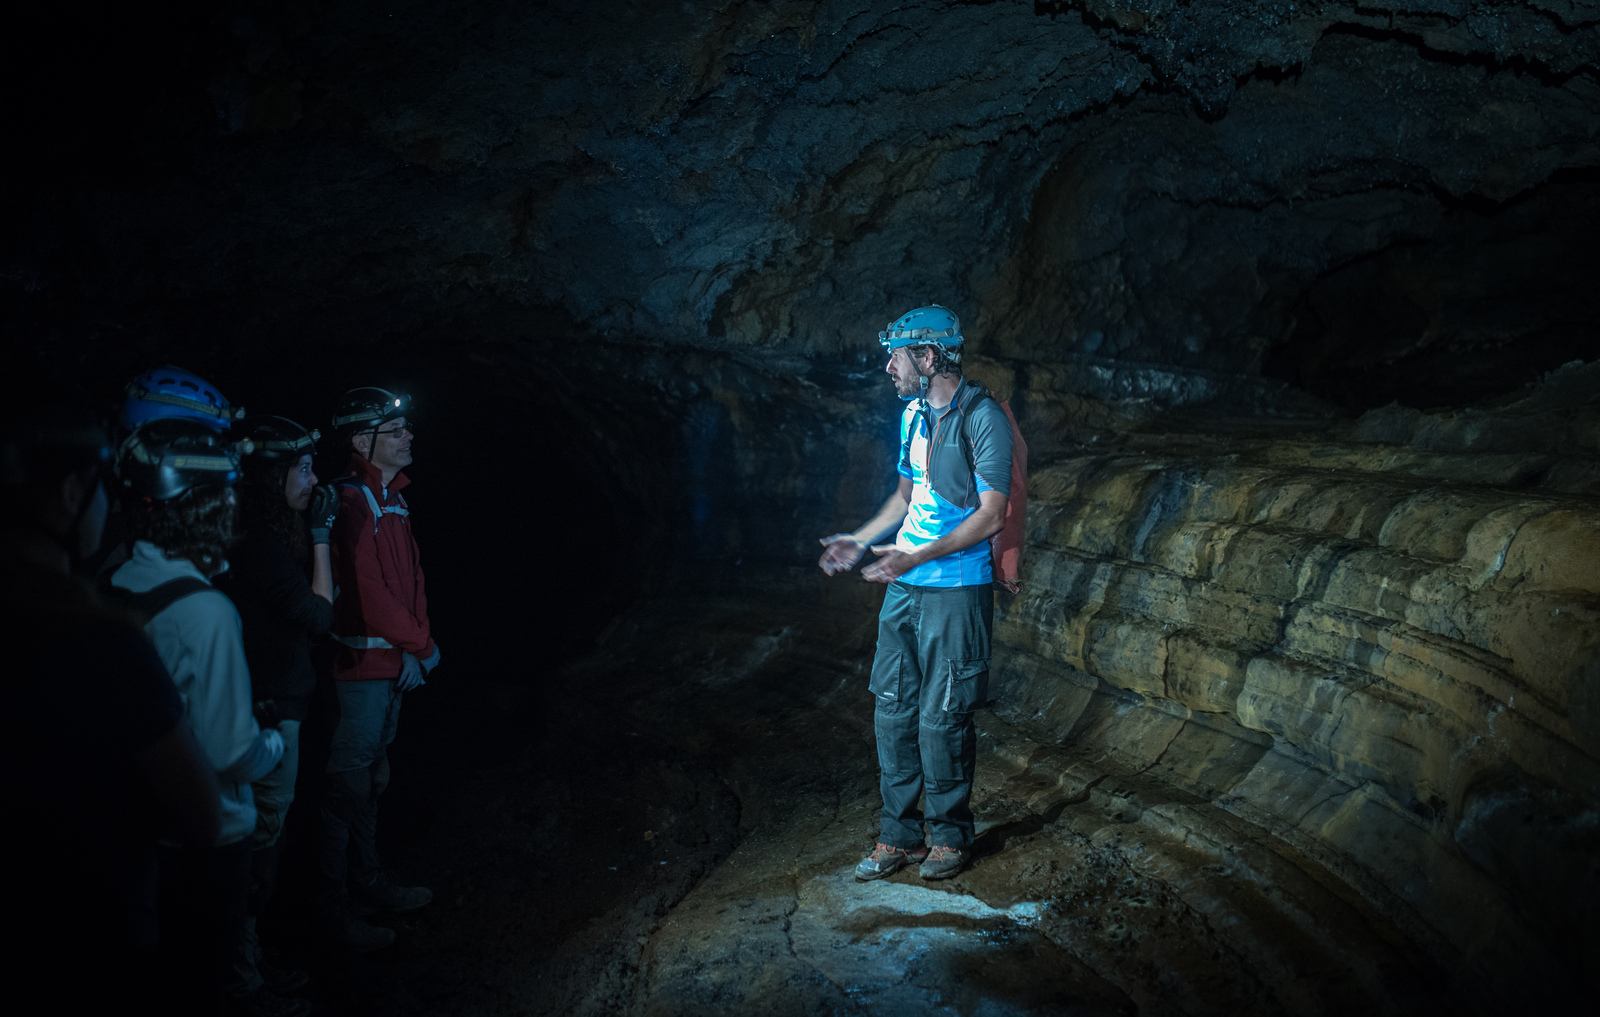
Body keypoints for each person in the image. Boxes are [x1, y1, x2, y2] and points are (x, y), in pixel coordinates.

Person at [3, 385, 221, 1005]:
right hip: (89, 930)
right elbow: (200, 815)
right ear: (71, 492)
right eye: (103, 488)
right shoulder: (99, 641)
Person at [818, 304, 1013, 882]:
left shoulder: (983, 419)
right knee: (892, 708)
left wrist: (918, 557)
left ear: (928, 358)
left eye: (897, 355)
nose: (888, 366)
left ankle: (949, 837)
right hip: (905, 585)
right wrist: (860, 538)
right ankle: (899, 837)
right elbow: (906, 498)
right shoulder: (911, 417)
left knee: (942, 714)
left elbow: (992, 516)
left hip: (955, 588)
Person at [108, 418, 288, 1014]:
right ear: (207, 505)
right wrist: (274, 743)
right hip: (206, 843)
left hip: (139, 834)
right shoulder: (204, 610)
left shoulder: (117, 583)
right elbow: (230, 750)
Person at [220, 416, 338, 1006]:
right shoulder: (263, 545)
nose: (313, 480)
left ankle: (253, 965)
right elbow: (320, 615)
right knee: (261, 842)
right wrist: (321, 536)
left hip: (285, 702)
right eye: (303, 468)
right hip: (269, 712)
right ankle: (242, 983)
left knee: (273, 837)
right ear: (272, 477)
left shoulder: (273, 533)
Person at [319, 387, 439, 951]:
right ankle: (330, 913)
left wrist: (414, 650)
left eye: (406, 429)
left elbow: (411, 581)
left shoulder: (392, 499)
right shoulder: (350, 500)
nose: (408, 437)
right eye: (395, 432)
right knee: (347, 787)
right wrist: (417, 644)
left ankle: (368, 885)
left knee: (372, 779)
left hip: (390, 662)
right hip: (361, 667)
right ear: (362, 442)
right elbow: (368, 592)